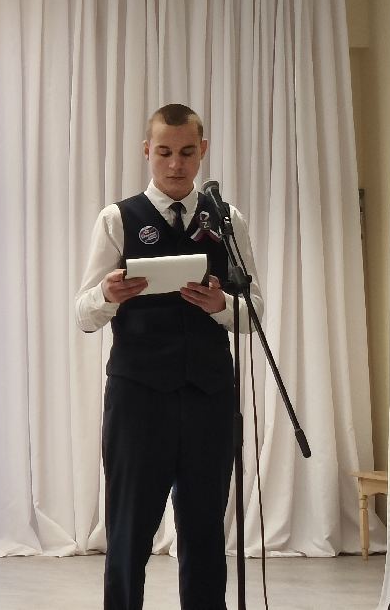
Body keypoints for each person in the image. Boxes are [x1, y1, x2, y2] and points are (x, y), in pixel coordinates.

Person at [74, 103, 262, 610]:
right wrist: (108, 294)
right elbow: (84, 315)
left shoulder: (227, 220)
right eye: (164, 152)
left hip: (209, 396)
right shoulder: (118, 218)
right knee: (130, 530)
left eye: (186, 152)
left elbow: (255, 312)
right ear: (146, 152)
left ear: (203, 151)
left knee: (204, 532)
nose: (175, 164)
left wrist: (222, 305)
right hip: (138, 399)